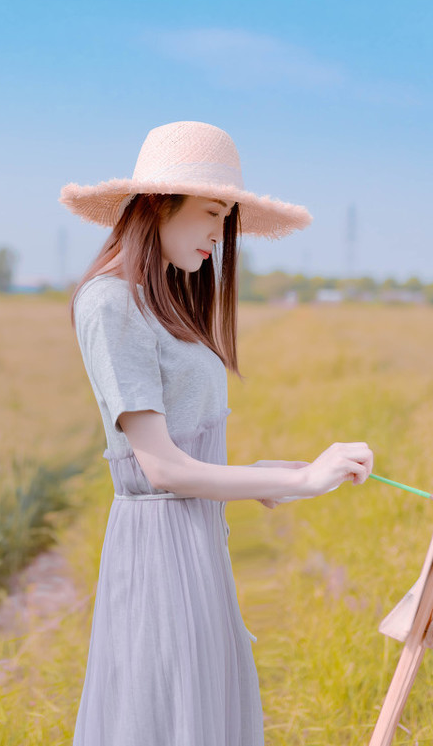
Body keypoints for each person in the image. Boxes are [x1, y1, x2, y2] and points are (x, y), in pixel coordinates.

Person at [61, 121, 375, 745]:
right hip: (158, 556)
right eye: (210, 212)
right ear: (156, 204)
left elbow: (182, 452)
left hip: (197, 544)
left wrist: (273, 477)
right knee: (168, 718)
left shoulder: (157, 303)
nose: (218, 234)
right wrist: (309, 481)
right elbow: (161, 469)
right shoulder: (109, 304)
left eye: (225, 216)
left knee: (202, 716)